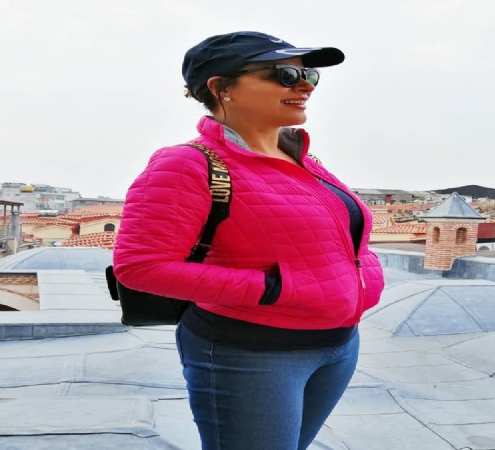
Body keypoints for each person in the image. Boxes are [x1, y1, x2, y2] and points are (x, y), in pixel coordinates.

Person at [113, 31, 385, 450]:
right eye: (284, 74)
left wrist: (368, 276)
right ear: (221, 87)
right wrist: (274, 289)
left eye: (309, 74)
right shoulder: (185, 163)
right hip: (252, 353)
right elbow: (140, 267)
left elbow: (346, 239)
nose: (306, 85)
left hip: (339, 345)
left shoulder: (303, 159)